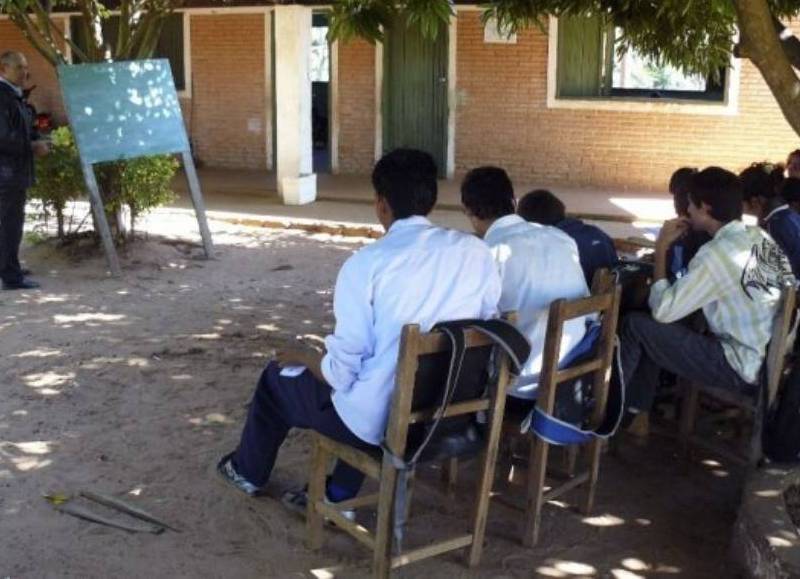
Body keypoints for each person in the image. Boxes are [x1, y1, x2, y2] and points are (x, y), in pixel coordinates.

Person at [217, 149, 502, 507]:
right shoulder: (476, 252)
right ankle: (336, 493)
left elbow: (341, 374)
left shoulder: (366, 265)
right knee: (375, 379)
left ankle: (246, 471)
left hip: (384, 422)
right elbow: (488, 323)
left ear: (381, 205)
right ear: (431, 201)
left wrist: (307, 357)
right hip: (450, 412)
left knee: (278, 379)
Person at [620, 167, 793, 415]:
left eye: (691, 204)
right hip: (770, 360)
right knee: (671, 325)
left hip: (739, 367)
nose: (687, 210)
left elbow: (663, 311)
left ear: (706, 208)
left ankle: (610, 416)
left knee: (635, 325)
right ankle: (637, 412)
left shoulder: (717, 254)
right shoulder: (759, 236)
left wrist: (661, 250)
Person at [460, 167, 589, 410]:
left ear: (468, 211)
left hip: (520, 388)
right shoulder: (561, 237)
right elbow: (590, 311)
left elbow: (470, 322)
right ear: (514, 201)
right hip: (574, 375)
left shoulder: (487, 254)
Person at [0, 51, 47, 290]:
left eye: (26, 67)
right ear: (4, 69)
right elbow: (3, 138)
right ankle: (11, 276)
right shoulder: (3, 96)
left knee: (11, 222)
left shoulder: (16, 96)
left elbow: (22, 129)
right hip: (7, 174)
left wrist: (38, 138)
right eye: (19, 67)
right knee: (10, 223)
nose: (24, 72)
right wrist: (31, 146)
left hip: (15, 171)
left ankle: (10, 265)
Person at [517, 189, 617, 287]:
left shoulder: (552, 245)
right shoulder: (597, 233)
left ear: (534, 224)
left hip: (578, 301)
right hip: (610, 299)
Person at [740, 162, 800, 279]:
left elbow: (780, 274)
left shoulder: (775, 226)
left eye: (742, 205)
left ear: (755, 201)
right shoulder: (790, 215)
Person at [666, 167, 710, 280]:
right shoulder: (685, 231)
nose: (674, 203)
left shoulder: (696, 235)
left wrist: (661, 249)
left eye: (675, 199)